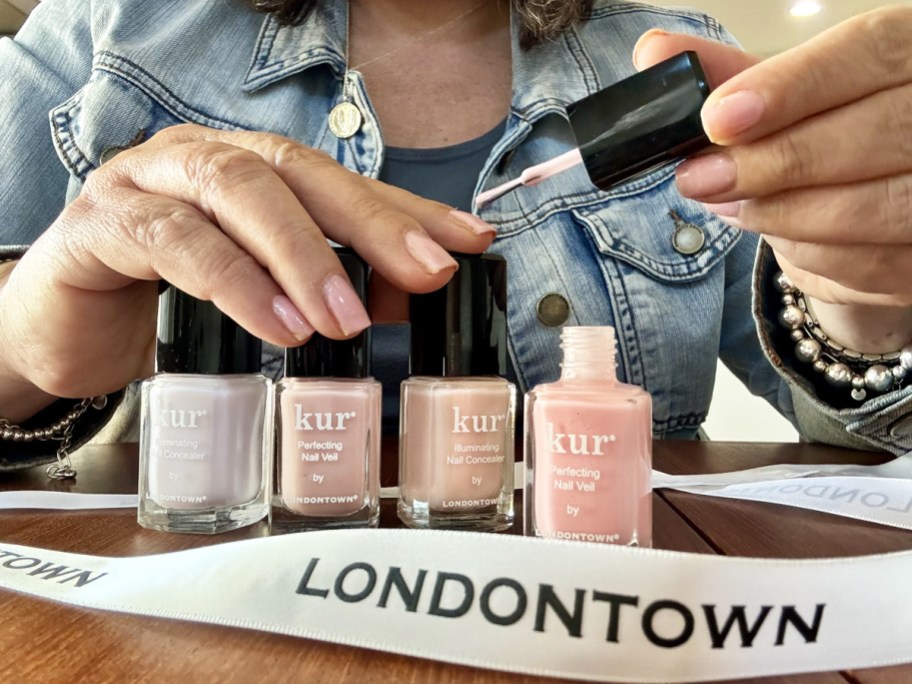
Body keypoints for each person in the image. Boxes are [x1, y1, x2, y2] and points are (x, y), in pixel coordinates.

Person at [2, 0, 912, 472]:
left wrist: (867, 313)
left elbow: (847, 441)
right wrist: (19, 349)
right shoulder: (112, 30)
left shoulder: (677, 61)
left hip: (610, 610)